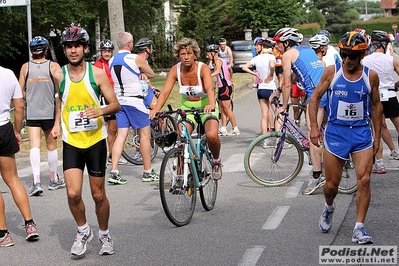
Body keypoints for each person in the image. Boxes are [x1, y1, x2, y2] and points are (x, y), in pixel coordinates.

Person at [309, 31, 382, 244]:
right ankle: (329, 207)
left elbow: (377, 107)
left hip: (360, 134)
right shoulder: (332, 72)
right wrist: (314, 127)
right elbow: (314, 99)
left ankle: (359, 228)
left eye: (352, 56)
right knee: (332, 185)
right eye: (344, 55)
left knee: (365, 180)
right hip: (336, 132)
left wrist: (377, 137)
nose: (348, 60)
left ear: (362, 55)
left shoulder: (371, 76)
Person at [52, 26, 120, 256]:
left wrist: (100, 112)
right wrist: (54, 125)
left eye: (77, 46)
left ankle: (104, 233)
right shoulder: (59, 74)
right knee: (72, 193)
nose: (73, 50)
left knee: (98, 194)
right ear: (64, 50)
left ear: (85, 48)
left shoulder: (97, 73)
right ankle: (83, 230)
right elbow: (60, 102)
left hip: (94, 141)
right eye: (69, 47)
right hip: (71, 140)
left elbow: (115, 104)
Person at [150, 37, 223, 179]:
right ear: (178, 56)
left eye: (189, 53)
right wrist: (156, 109)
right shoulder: (175, 70)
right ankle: (180, 175)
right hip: (187, 107)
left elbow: (209, 87)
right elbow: (165, 92)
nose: (186, 57)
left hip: (206, 105)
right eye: (183, 54)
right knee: (181, 138)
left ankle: (216, 161)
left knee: (211, 135)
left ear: (195, 54)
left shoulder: (203, 68)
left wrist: (211, 104)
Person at [272, 27, 326, 195]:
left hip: (316, 96)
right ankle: (324, 161)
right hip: (326, 91)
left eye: (278, 44)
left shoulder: (288, 55)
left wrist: (283, 105)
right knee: (322, 132)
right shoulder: (306, 50)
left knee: (313, 135)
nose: (277, 47)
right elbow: (297, 76)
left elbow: (288, 81)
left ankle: (317, 176)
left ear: (287, 43)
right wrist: (279, 91)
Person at [108, 32, 158, 183]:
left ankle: (114, 171)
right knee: (144, 134)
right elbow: (152, 74)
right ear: (130, 44)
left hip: (119, 101)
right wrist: (142, 73)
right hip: (135, 101)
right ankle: (147, 171)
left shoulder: (111, 60)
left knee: (121, 135)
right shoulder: (135, 58)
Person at [18, 36, 65, 196]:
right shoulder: (53, 66)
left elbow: (20, 91)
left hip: (32, 112)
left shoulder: (26, 67)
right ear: (46, 50)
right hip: (49, 112)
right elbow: (62, 88)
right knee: (51, 146)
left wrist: (29, 97)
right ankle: (53, 179)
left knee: (34, 146)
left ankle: (36, 181)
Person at [0, 65, 40, 247]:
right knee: (13, 178)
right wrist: (16, 130)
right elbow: (19, 106)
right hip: (4, 128)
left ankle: (3, 233)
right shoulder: (8, 74)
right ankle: (29, 223)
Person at [363, 30, 399, 173]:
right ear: (384, 45)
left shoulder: (365, 60)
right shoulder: (391, 59)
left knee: (378, 129)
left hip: (374, 97)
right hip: (390, 95)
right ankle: (393, 151)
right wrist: (396, 85)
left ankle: (379, 164)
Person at [93, 39, 128, 166]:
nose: (107, 54)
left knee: (113, 129)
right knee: (102, 127)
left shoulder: (115, 62)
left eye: (109, 51)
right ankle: (100, 153)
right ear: (101, 52)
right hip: (103, 97)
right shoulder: (96, 65)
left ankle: (112, 154)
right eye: (104, 51)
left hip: (115, 97)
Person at [242, 38, 276, 138]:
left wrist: (256, 75)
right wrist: (271, 74)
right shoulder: (271, 56)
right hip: (270, 88)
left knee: (264, 115)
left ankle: (264, 139)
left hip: (261, 88)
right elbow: (272, 66)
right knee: (277, 113)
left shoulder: (256, 58)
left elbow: (244, 67)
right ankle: (278, 138)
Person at [206, 44, 240, 136]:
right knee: (222, 109)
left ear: (213, 53)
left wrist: (208, 76)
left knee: (227, 109)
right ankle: (223, 128)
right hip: (221, 87)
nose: (207, 55)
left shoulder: (218, 61)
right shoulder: (216, 61)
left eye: (209, 53)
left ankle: (235, 128)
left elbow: (217, 71)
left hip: (225, 87)